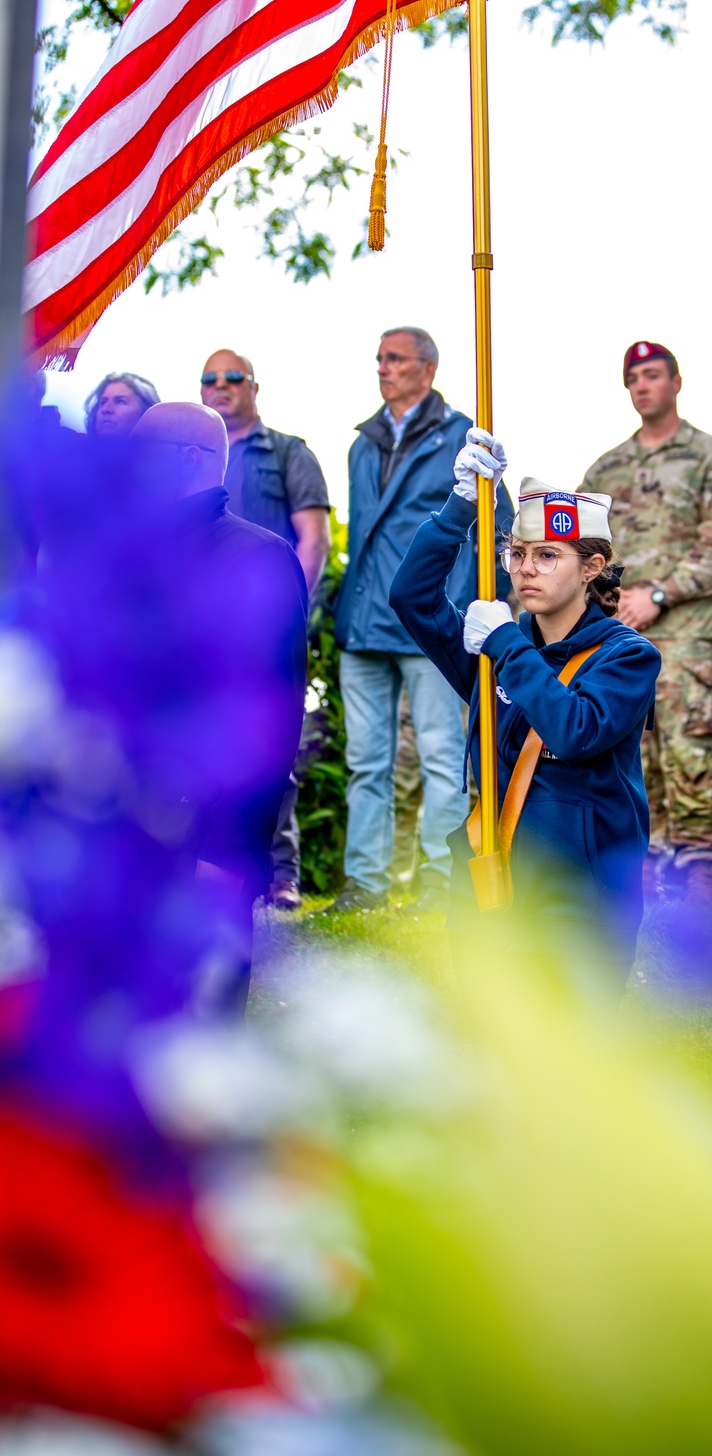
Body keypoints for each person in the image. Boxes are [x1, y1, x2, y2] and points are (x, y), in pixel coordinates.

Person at [389, 432, 661, 967]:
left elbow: (576, 729)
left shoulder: (627, 656)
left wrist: (504, 643)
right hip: (488, 889)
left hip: (579, 905)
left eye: (546, 555)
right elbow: (411, 598)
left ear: (591, 566)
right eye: (516, 553)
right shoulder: (497, 646)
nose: (524, 569)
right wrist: (460, 509)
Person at [128, 401, 308, 1005]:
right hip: (125, 834)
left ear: (187, 458)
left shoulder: (256, 558)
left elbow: (269, 721)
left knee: (203, 1035)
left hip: (205, 835)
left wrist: (228, 853)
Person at [332, 325, 513, 914]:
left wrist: (480, 605)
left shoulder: (462, 435)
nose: (383, 368)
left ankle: (439, 883)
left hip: (429, 623)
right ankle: (364, 883)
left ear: (428, 369)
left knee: (441, 756)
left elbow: (498, 523)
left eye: (396, 359)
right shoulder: (363, 443)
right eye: (379, 357)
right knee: (366, 761)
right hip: (364, 623)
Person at [581, 341, 712, 905]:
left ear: (677, 382)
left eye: (653, 375)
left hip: (689, 631)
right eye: (633, 379)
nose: (642, 386)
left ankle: (702, 870)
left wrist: (659, 592)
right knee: (633, 746)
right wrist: (611, 605)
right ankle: (645, 867)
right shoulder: (605, 469)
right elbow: (587, 550)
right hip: (621, 632)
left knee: (694, 746)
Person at [200, 349, 330, 912]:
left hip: (266, 619)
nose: (221, 386)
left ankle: (280, 873)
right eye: (210, 378)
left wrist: (282, 607)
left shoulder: (287, 452)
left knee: (271, 744)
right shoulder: (197, 458)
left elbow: (314, 537)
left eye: (233, 377)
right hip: (204, 628)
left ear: (255, 386)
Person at [84, 371, 160, 438]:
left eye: (120, 401)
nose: (106, 409)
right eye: (103, 402)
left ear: (146, 413)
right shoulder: (76, 447)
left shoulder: (166, 453)